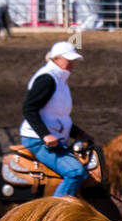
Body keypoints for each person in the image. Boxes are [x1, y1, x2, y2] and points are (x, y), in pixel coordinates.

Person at [19, 40, 93, 199]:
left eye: (73, 60)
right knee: (75, 172)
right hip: (37, 140)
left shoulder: (59, 80)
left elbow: (57, 117)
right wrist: (45, 135)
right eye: (68, 59)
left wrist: (79, 133)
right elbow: (29, 108)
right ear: (56, 59)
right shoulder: (47, 79)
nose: (72, 63)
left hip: (53, 138)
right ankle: (55, 212)